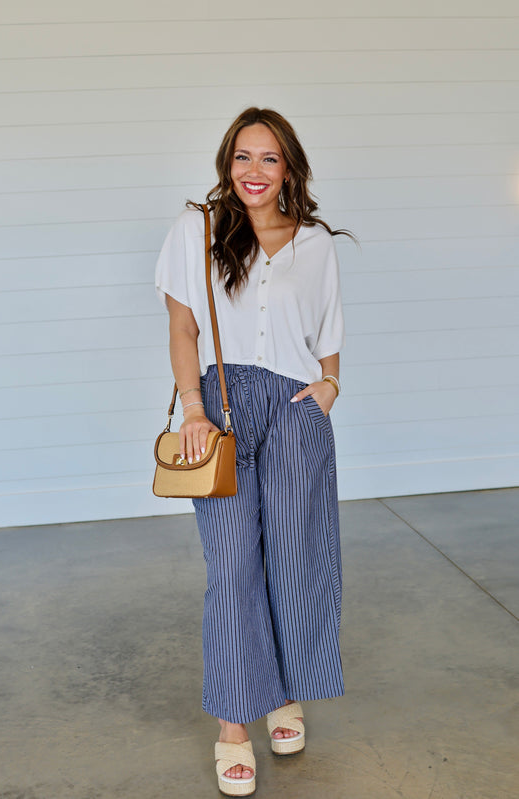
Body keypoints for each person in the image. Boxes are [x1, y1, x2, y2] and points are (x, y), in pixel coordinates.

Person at [155, 107, 348, 796]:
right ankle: (235, 722)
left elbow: (326, 330)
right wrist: (195, 408)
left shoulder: (315, 242)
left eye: (268, 159)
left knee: (293, 562)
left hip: (296, 412)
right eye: (242, 157)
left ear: (289, 166)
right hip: (222, 410)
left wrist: (328, 386)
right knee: (233, 564)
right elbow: (182, 327)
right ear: (225, 163)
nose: (254, 172)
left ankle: (283, 694)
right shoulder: (197, 229)